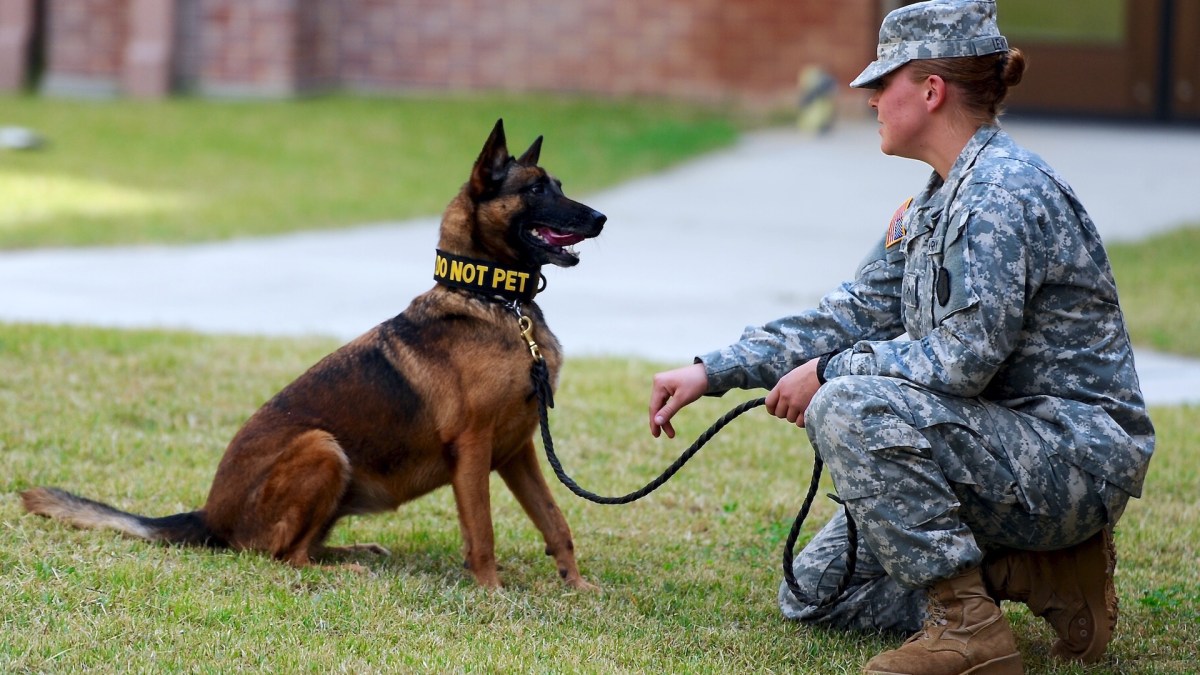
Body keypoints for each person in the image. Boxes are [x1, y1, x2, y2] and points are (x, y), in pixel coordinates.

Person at [646, 1, 1154, 673]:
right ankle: (1039, 576)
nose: (869, 97)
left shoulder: (1002, 195)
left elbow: (960, 360)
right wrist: (713, 370)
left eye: (883, 82)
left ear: (931, 89)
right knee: (818, 594)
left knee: (847, 405)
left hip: (1072, 458)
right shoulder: (935, 202)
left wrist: (830, 372)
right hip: (996, 446)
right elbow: (848, 314)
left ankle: (968, 628)